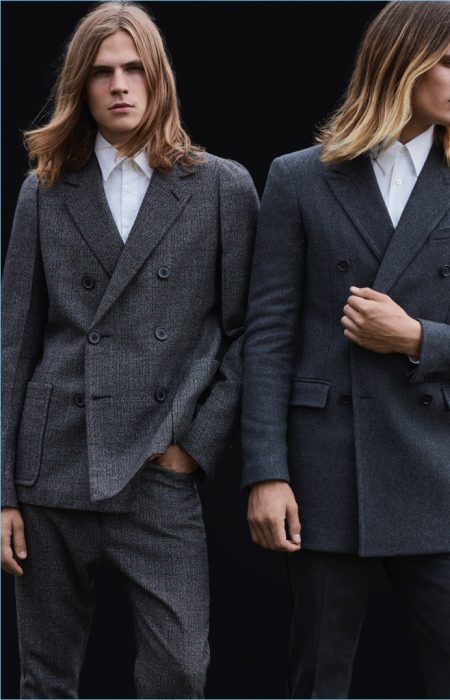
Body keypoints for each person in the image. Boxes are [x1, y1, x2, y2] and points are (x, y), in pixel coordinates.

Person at [1, 3, 258, 697]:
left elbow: (247, 334)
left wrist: (192, 448)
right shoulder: (45, 189)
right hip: (53, 465)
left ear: (159, 78)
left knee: (180, 669)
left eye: (134, 69)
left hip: (156, 469)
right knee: (45, 679)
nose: (119, 85)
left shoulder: (221, 186)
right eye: (102, 72)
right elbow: (13, 345)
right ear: (80, 87)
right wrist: (2, 494)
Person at [241, 2, 450, 697]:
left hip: (438, 464)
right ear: (400, 63)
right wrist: (266, 472)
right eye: (449, 62)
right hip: (326, 472)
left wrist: (416, 338)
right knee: (319, 680)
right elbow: (268, 337)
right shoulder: (299, 177)